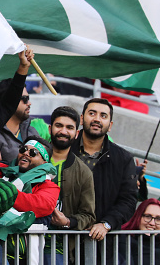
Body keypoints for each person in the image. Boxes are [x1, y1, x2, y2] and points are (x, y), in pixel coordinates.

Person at [70, 98, 137, 241]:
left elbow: (128, 201)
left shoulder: (123, 159)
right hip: (63, 237)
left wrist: (106, 224)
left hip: (104, 243)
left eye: (103, 116)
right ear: (82, 119)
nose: (97, 119)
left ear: (110, 125)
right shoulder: (63, 149)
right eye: (92, 113)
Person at [45, 106, 95, 263]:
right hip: (21, 241)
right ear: (50, 128)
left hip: (58, 247)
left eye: (69, 127)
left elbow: (88, 216)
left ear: (77, 133)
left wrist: (67, 221)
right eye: (59, 125)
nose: (63, 131)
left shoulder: (84, 172)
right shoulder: (32, 157)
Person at [0, 48, 38, 162]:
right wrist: (23, 67)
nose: (29, 103)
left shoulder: (32, 131)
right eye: (24, 99)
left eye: (29, 98)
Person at [119, 199, 160, 264]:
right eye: (148, 216)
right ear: (138, 217)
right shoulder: (125, 239)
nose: (152, 223)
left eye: (158, 219)